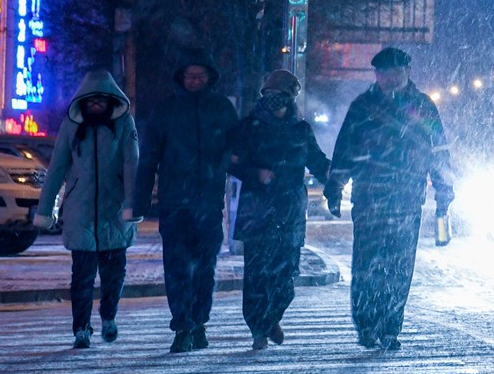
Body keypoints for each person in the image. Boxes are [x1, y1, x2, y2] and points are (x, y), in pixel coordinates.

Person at [325, 46, 454, 351]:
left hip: (407, 200)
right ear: (377, 76)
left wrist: (444, 192)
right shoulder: (363, 107)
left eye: (396, 72)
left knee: (399, 267)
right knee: (367, 265)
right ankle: (367, 325)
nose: (391, 79)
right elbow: (345, 150)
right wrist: (335, 186)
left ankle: (390, 328)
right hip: (369, 200)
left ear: (407, 73)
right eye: (385, 73)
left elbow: (439, 152)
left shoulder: (423, 106)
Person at [133, 50, 238, 353]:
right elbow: (149, 156)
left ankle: (199, 322)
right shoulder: (167, 110)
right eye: (190, 75)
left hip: (208, 202)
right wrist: (139, 202)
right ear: (181, 77)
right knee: (177, 266)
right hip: (175, 203)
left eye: (200, 75)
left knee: (206, 267)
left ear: (209, 78)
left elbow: (238, 147)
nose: (194, 80)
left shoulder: (221, 109)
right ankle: (182, 325)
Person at [225, 69, 332, 350]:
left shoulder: (301, 130)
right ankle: (258, 328)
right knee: (257, 274)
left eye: (280, 96)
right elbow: (231, 160)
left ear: (290, 98)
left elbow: (317, 161)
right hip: (257, 211)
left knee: (286, 275)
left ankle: (272, 316)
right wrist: (255, 173)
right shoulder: (249, 127)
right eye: (269, 95)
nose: (273, 101)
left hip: (290, 212)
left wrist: (336, 176)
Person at [34, 69, 140, 349]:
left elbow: (132, 165)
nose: (95, 105)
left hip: (114, 211)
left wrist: (132, 203)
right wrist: (45, 208)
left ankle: (108, 317)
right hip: (80, 212)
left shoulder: (124, 124)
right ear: (83, 101)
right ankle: (81, 328)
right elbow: (57, 168)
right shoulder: (72, 126)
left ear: (109, 101)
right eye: (91, 100)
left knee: (113, 274)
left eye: (100, 100)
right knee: (81, 277)